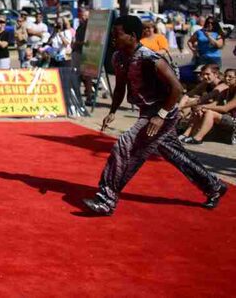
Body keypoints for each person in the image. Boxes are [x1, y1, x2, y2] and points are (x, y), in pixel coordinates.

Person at [81, 15, 227, 215]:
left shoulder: (150, 58)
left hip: (163, 112)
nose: (113, 38)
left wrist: (161, 116)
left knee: (125, 146)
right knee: (176, 155)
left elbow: (176, 89)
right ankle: (214, 186)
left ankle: (106, 199)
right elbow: (120, 87)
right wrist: (113, 111)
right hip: (147, 111)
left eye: (117, 34)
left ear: (132, 36)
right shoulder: (119, 57)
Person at [181, 69, 236, 145]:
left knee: (210, 112)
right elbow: (214, 104)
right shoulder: (225, 91)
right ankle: (186, 134)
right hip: (227, 117)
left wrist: (203, 106)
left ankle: (198, 138)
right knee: (201, 110)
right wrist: (202, 108)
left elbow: (225, 108)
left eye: (230, 77)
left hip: (234, 120)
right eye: (225, 76)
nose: (227, 78)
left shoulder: (222, 87)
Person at [72, 7, 93, 103]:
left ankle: (89, 96)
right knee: (76, 75)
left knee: (87, 76)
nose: (83, 17)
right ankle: (77, 94)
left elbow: (88, 43)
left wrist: (77, 43)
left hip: (86, 54)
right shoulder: (80, 26)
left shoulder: (90, 28)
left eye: (85, 16)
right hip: (77, 52)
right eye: (82, 16)